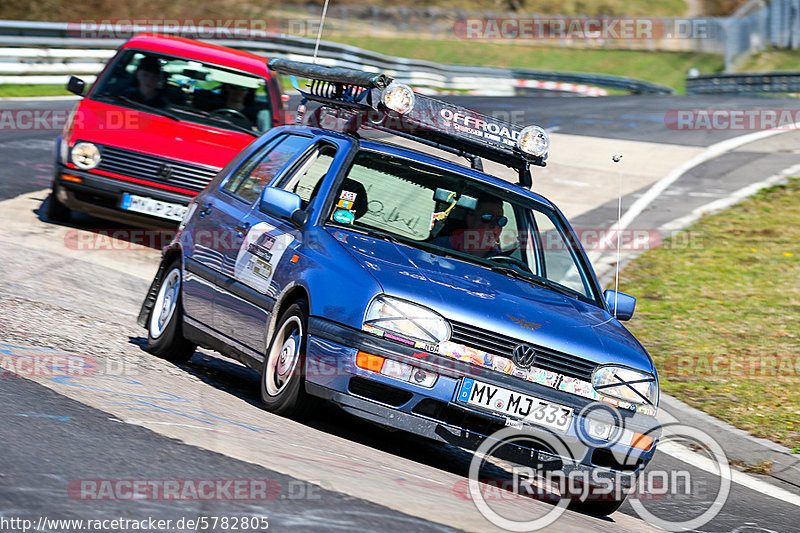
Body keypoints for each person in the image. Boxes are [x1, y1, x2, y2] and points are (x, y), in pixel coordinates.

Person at [430, 195, 508, 258]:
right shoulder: (440, 246)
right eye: (487, 218)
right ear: (470, 219)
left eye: (501, 220)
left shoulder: (503, 263)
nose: (494, 225)